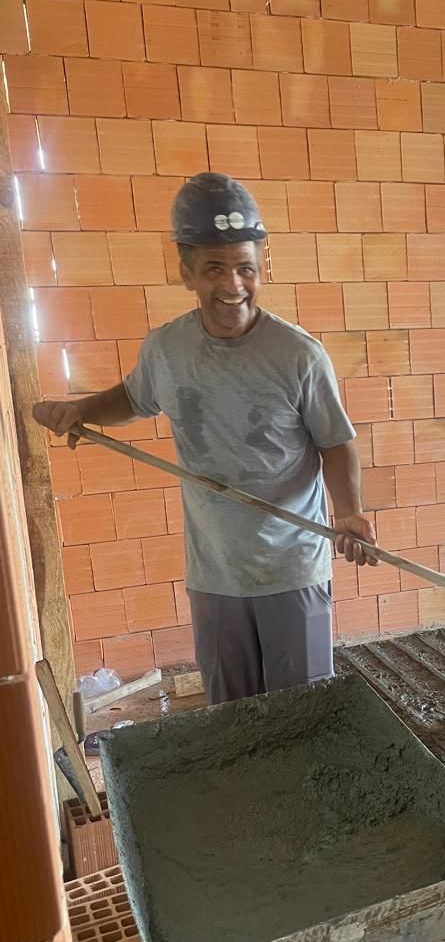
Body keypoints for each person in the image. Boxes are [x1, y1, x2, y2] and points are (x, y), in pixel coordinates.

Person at [33, 172, 377, 705]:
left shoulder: (299, 355)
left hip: (292, 568)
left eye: (246, 268)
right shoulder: (167, 349)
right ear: (187, 271)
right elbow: (135, 398)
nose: (233, 285)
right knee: (231, 719)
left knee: (304, 717)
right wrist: (82, 411)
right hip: (215, 574)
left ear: (263, 266)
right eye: (215, 268)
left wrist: (349, 511)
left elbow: (335, 442)